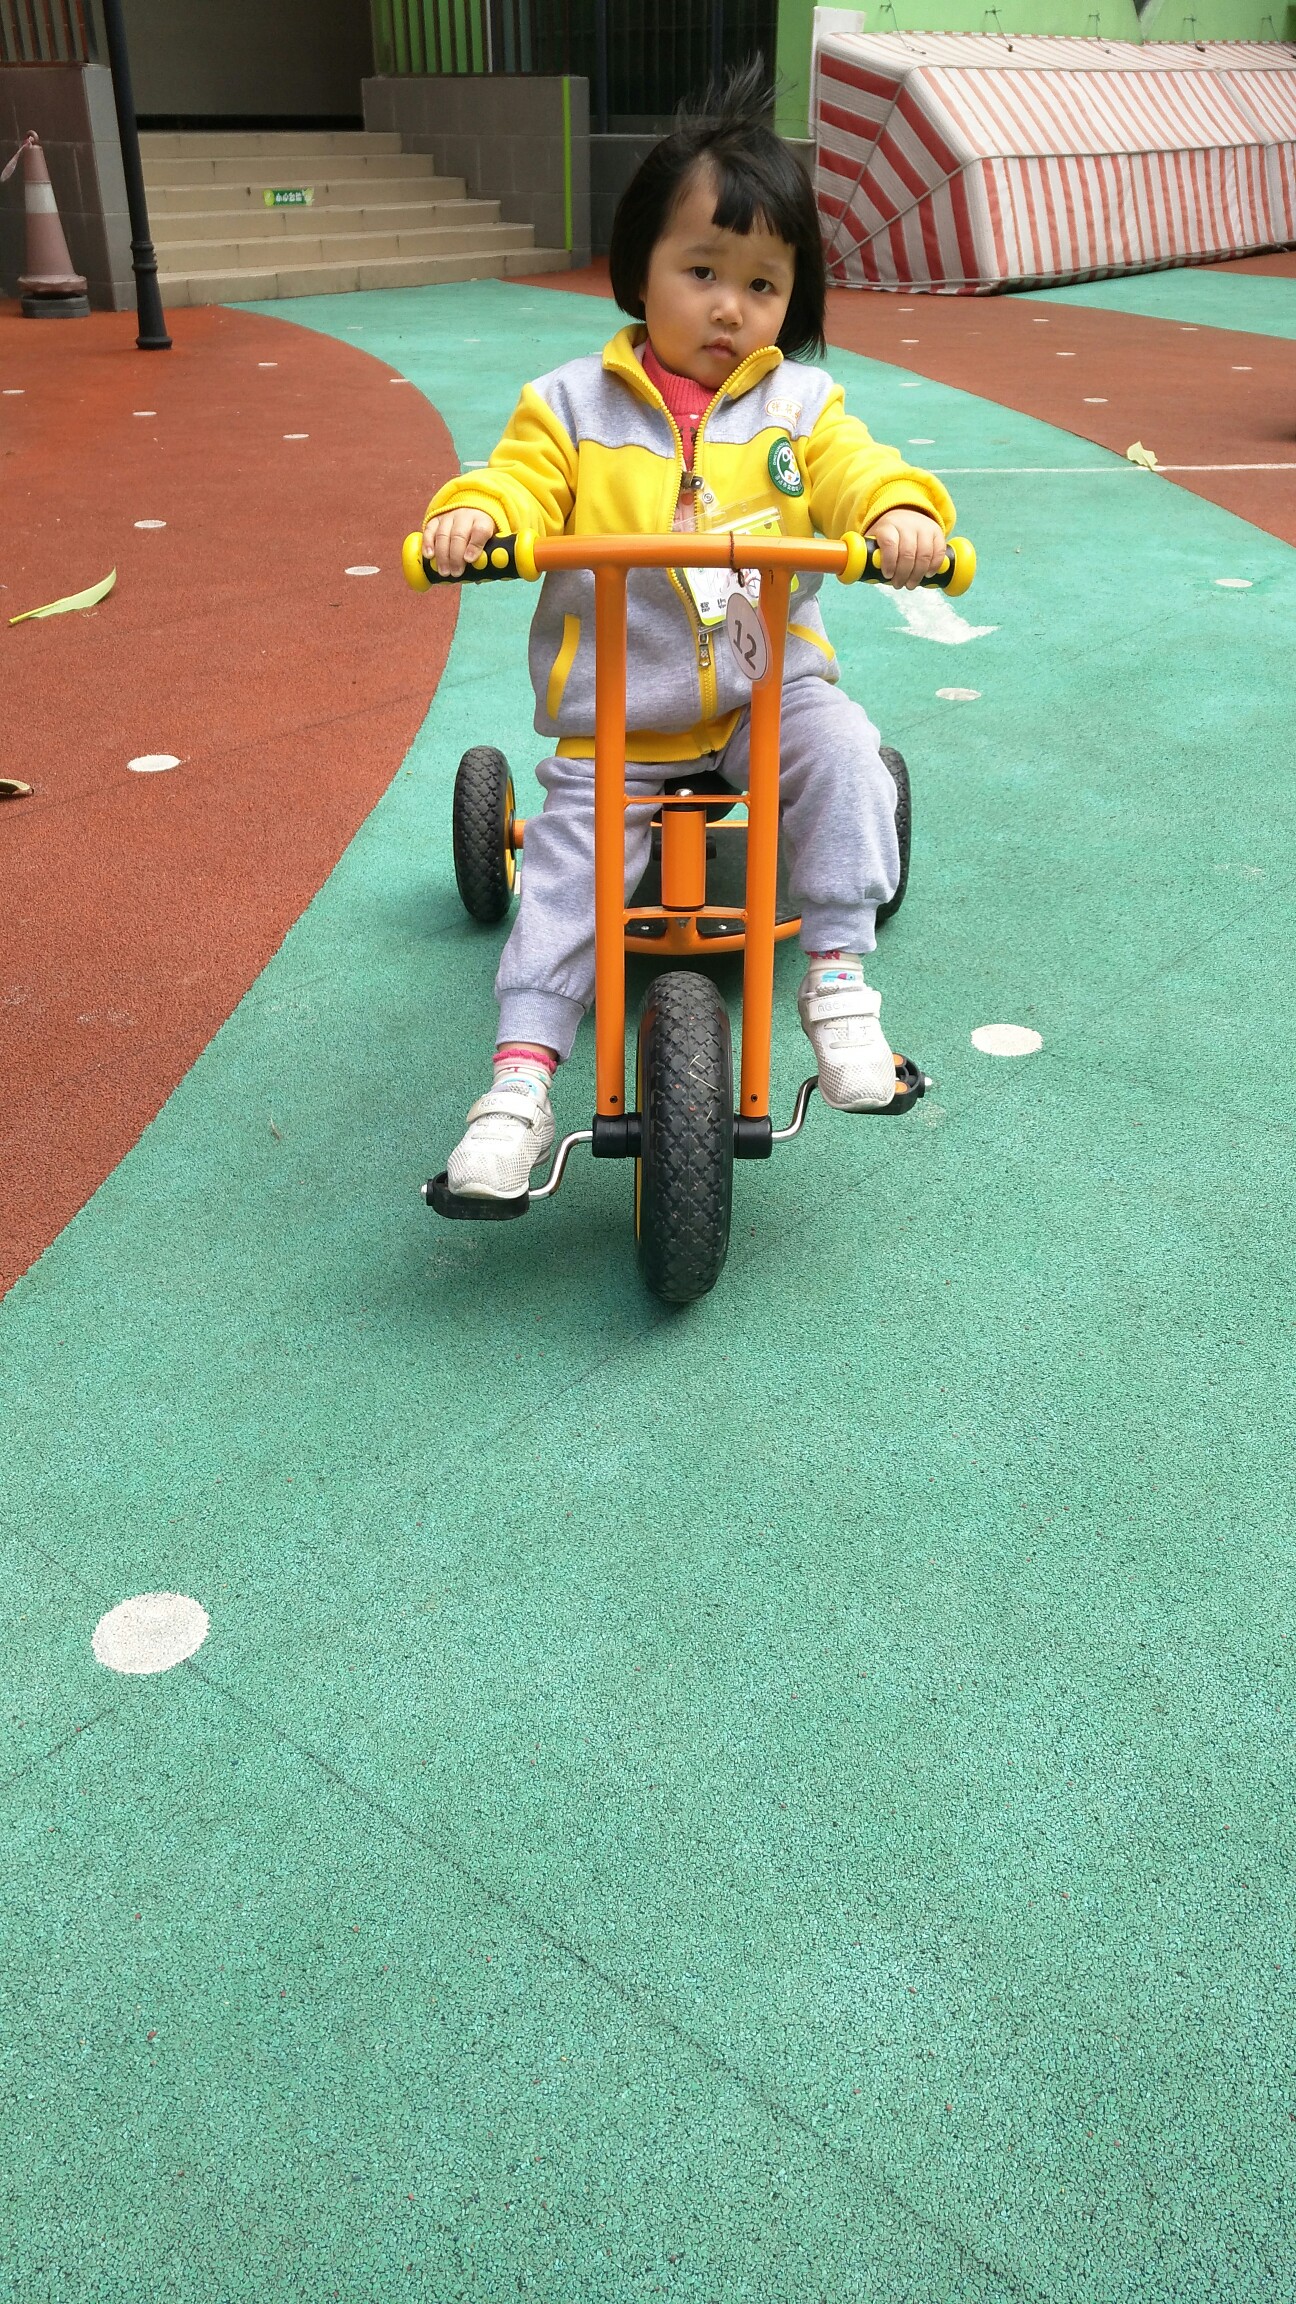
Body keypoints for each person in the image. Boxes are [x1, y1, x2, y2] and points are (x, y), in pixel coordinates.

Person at [422, 66, 954, 1200]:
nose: (729, 309)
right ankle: (519, 1083)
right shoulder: (569, 404)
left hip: (770, 692)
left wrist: (897, 514)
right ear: (639, 269)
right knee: (564, 875)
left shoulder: (800, 409)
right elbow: (517, 479)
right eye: (702, 271)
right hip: (622, 714)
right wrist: (479, 518)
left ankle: (839, 983)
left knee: (847, 753)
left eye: (763, 285)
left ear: (793, 301)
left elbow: (856, 470)